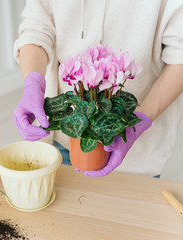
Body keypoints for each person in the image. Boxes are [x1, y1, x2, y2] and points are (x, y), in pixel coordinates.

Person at [13, 0, 183, 177]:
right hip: (65, 137)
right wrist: (33, 82)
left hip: (140, 150)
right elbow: (36, 28)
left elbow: (179, 55)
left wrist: (139, 122)